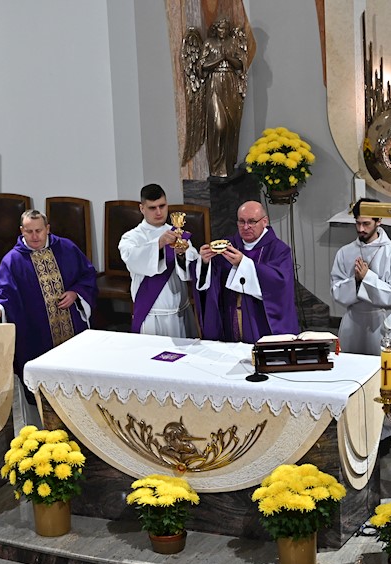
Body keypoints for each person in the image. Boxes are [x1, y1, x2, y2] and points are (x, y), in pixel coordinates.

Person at [0, 209, 97, 426]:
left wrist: (76, 293)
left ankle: (84, 426)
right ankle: (40, 431)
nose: (35, 236)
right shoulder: (13, 260)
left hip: (71, 332)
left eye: (39, 230)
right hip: (37, 336)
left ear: (47, 229)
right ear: (21, 231)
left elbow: (88, 274)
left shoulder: (66, 248)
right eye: (29, 231)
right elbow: (2, 292)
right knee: (39, 390)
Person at [330, 200, 391, 454]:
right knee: (352, 378)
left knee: (384, 380)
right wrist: (355, 282)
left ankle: (386, 433)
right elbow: (336, 290)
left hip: (380, 323)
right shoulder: (345, 253)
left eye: (366, 224)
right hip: (354, 322)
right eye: (357, 223)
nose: (361, 229)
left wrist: (367, 278)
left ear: (379, 221)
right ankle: (353, 429)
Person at [197, 200, 298, 343]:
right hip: (230, 321)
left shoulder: (279, 250)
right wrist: (205, 262)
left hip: (260, 322)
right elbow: (212, 281)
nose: (245, 227)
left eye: (251, 222)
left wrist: (243, 264)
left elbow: (280, 284)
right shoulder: (229, 245)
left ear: (264, 222)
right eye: (241, 221)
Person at [118, 184, 200, 337]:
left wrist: (181, 255)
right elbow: (134, 261)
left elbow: (192, 269)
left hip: (180, 311)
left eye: (162, 206)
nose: (158, 212)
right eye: (152, 208)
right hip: (151, 313)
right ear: (142, 208)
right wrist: (159, 244)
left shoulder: (178, 233)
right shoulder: (131, 238)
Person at [182, 17, 249, 178]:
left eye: (225, 28)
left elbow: (241, 65)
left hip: (230, 84)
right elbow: (201, 67)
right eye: (220, 28)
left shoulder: (233, 42)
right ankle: (216, 166)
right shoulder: (209, 43)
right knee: (219, 126)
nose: (223, 31)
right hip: (214, 84)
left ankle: (228, 166)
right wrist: (219, 59)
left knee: (231, 126)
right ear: (216, 29)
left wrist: (229, 58)